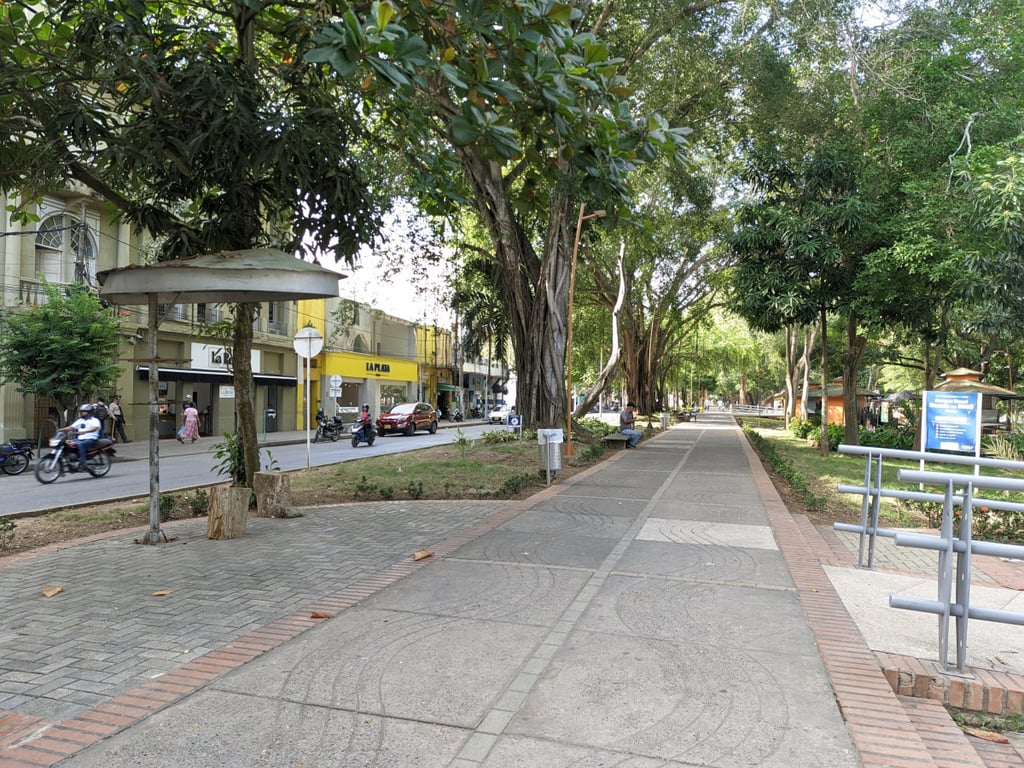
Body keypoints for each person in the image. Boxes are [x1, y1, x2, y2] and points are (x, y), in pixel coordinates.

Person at [60, 403, 101, 469]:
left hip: (91, 439)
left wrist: (85, 431)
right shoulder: (80, 420)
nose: (82, 413)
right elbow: (71, 427)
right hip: (80, 439)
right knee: (67, 443)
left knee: (80, 444)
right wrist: (61, 429)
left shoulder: (94, 420)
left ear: (89, 412)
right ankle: (70, 460)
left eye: (84, 411)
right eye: (81, 411)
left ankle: (83, 462)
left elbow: (96, 428)